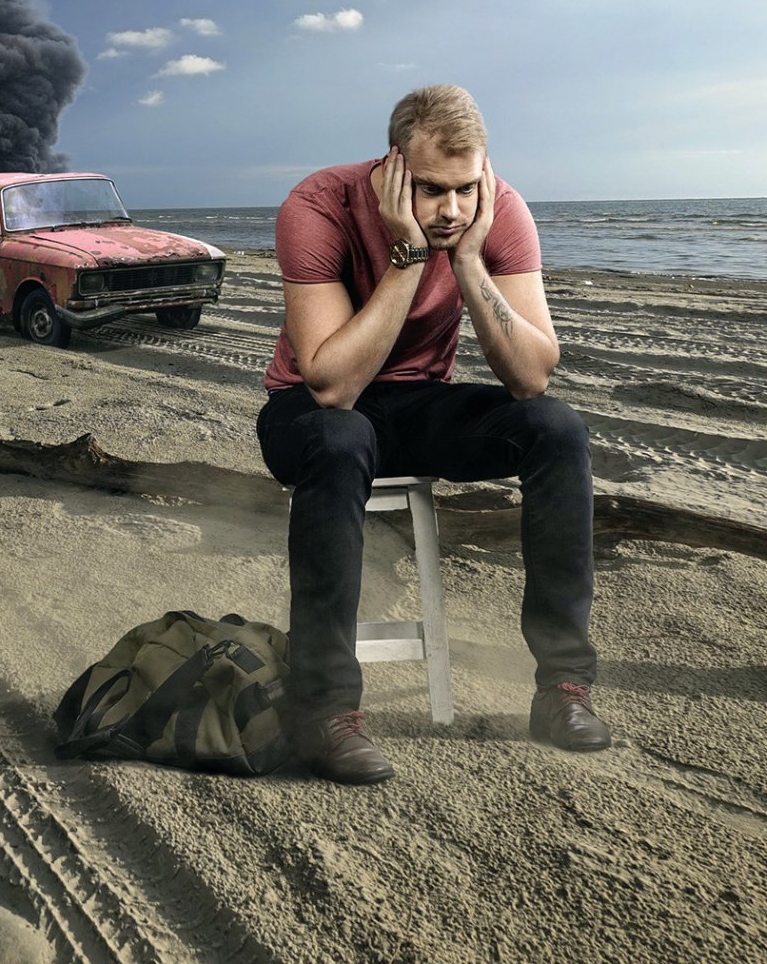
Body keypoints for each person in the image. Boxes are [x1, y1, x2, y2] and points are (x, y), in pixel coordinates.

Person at [255, 84, 610, 785]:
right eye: (429, 189)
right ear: (391, 168)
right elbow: (332, 386)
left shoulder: (496, 207)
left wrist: (470, 262)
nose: (451, 209)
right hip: (307, 411)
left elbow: (530, 376)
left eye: (464, 187)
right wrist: (407, 258)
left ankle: (562, 690)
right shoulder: (317, 204)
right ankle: (322, 711)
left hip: (420, 404)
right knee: (340, 437)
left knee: (554, 428)